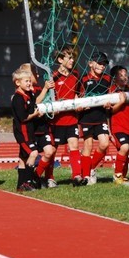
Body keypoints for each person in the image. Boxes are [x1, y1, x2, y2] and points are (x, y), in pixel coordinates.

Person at [50, 46, 84, 186]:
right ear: (60, 60)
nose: (72, 60)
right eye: (69, 57)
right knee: (52, 149)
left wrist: (79, 103)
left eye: (72, 57)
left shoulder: (76, 75)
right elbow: (49, 97)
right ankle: (49, 177)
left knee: (74, 145)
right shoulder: (53, 77)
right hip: (56, 121)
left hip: (71, 119)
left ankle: (77, 176)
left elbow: (78, 93)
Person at [19, 63, 57, 188]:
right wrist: (46, 89)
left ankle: (36, 176)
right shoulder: (27, 92)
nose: (38, 75)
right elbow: (34, 104)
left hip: (42, 127)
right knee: (25, 157)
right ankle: (24, 182)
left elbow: (45, 103)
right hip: (31, 130)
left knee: (49, 151)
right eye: (35, 73)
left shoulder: (39, 89)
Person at [79, 52, 113, 185]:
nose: (102, 66)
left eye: (104, 64)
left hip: (101, 117)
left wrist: (109, 103)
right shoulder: (83, 79)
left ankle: (90, 168)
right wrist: (82, 105)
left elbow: (111, 95)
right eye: (99, 63)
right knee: (87, 145)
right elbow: (78, 97)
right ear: (90, 63)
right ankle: (86, 176)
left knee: (104, 144)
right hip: (86, 118)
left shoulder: (107, 79)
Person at [10, 67, 43, 192]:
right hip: (22, 132)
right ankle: (28, 181)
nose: (29, 83)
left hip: (29, 131)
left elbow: (35, 104)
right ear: (18, 83)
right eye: (26, 81)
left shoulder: (29, 94)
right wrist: (34, 115)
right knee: (33, 153)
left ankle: (20, 185)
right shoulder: (18, 98)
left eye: (30, 81)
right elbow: (23, 118)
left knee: (23, 158)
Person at [109, 65, 129, 184]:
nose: (124, 78)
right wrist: (121, 102)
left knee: (127, 151)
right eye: (120, 75)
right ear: (114, 78)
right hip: (117, 126)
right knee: (124, 147)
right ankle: (117, 174)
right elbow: (110, 111)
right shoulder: (111, 90)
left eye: (125, 75)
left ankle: (123, 175)